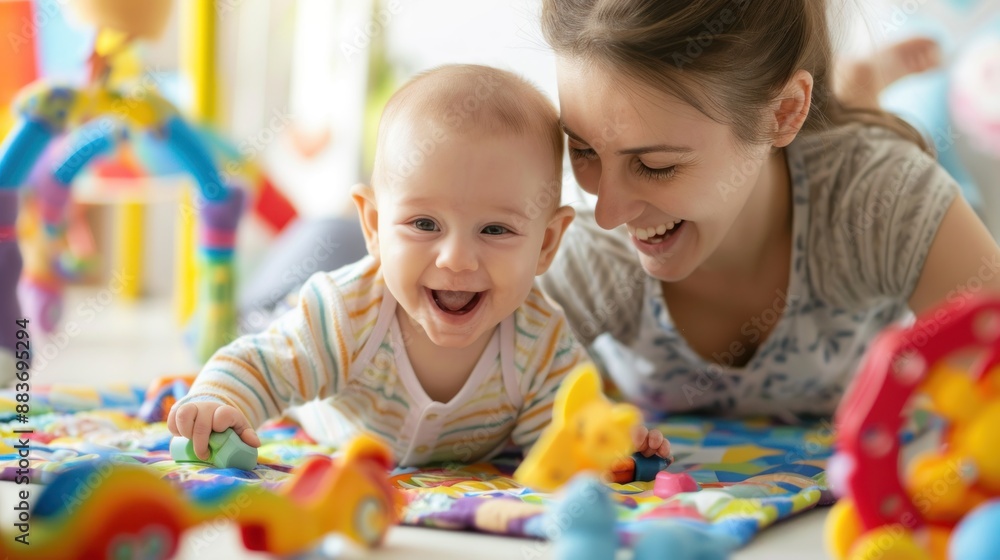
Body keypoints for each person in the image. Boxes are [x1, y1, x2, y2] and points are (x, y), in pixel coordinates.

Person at [168, 64, 672, 466]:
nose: (456, 258)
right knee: (253, 321)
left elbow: (569, 425)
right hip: (301, 288)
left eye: (495, 230)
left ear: (546, 244)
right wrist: (219, 400)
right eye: (424, 224)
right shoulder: (344, 314)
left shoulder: (541, 343)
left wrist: (613, 445)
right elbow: (260, 365)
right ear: (374, 224)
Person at [535, 0, 1000, 421]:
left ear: (781, 113)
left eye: (656, 166)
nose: (608, 213)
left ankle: (858, 90)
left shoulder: (881, 198)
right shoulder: (589, 252)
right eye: (583, 150)